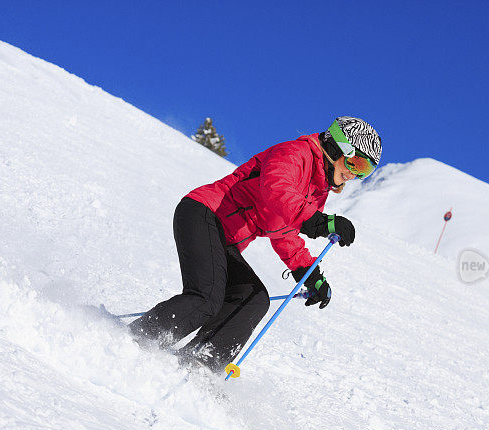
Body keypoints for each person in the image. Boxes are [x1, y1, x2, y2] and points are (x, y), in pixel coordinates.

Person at [129, 116, 382, 372]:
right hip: (203, 213)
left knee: (253, 298)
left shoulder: (317, 191)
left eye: (365, 171)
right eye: (356, 163)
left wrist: (309, 273)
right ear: (336, 147)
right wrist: (321, 222)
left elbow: (283, 230)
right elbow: (277, 191)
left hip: (223, 238)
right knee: (207, 298)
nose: (354, 174)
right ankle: (134, 341)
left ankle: (199, 365)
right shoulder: (295, 154)